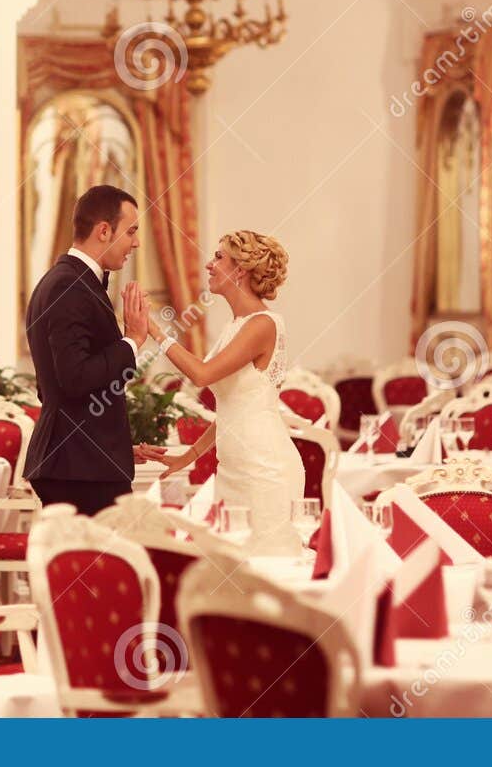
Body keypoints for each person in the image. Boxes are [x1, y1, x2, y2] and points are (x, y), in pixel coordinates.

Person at [133, 230, 304, 555]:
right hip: (233, 468)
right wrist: (189, 455)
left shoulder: (263, 324)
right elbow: (234, 407)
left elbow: (201, 375)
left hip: (264, 469)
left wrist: (153, 329)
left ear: (240, 270)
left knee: (266, 570)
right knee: (233, 572)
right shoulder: (235, 326)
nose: (209, 265)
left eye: (219, 257)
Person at [22, 184, 151, 516]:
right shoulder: (69, 285)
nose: (136, 242)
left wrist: (112, 442)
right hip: (80, 470)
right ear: (104, 231)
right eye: (131, 231)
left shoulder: (64, 279)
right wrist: (133, 340)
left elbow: (52, 386)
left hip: (80, 461)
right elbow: (75, 378)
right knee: (102, 565)